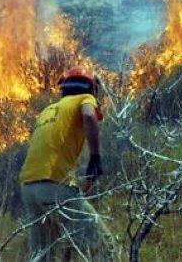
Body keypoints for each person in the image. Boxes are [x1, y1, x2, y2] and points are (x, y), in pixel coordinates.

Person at [19, 67, 108, 261]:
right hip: (53, 185)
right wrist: (95, 157)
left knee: (41, 255)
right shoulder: (85, 99)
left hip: (29, 188)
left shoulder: (47, 111)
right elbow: (88, 115)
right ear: (89, 88)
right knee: (102, 242)